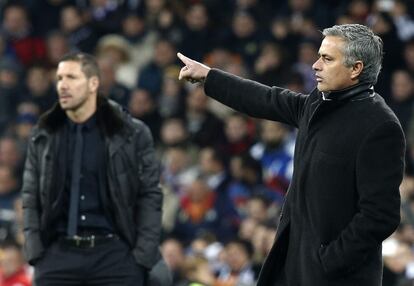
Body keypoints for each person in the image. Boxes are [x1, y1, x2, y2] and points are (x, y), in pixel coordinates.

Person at [177, 23, 406, 286]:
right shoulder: (318, 102)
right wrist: (209, 77)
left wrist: (328, 262)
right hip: (294, 266)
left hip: (336, 277)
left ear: (356, 69)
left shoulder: (380, 126)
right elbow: (268, 99)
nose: (315, 65)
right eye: (319, 56)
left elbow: (380, 216)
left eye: (327, 59)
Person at [21, 52, 163, 285]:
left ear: (93, 83)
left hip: (115, 257)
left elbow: (150, 194)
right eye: (59, 78)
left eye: (71, 78)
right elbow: (30, 196)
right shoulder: (44, 132)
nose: (63, 85)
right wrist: (36, 252)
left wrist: (142, 256)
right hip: (58, 257)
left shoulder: (131, 133)